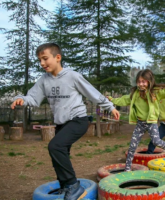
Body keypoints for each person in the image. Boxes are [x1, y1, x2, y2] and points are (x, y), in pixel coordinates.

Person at [10, 43, 120, 200]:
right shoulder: (44, 80)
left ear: (58, 57)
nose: (42, 63)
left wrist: (110, 107)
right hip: (61, 124)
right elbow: (33, 98)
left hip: (78, 119)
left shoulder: (72, 76)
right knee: (60, 155)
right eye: (39, 60)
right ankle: (65, 186)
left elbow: (92, 93)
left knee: (55, 146)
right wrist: (21, 99)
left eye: (45, 58)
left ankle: (73, 186)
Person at [107, 69, 165, 171]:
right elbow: (123, 100)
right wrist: (111, 99)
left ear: (149, 82)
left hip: (151, 122)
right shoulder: (134, 94)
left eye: (143, 81)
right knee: (132, 146)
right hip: (140, 123)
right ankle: (127, 169)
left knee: (156, 141)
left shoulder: (155, 93)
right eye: (139, 82)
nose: (141, 84)